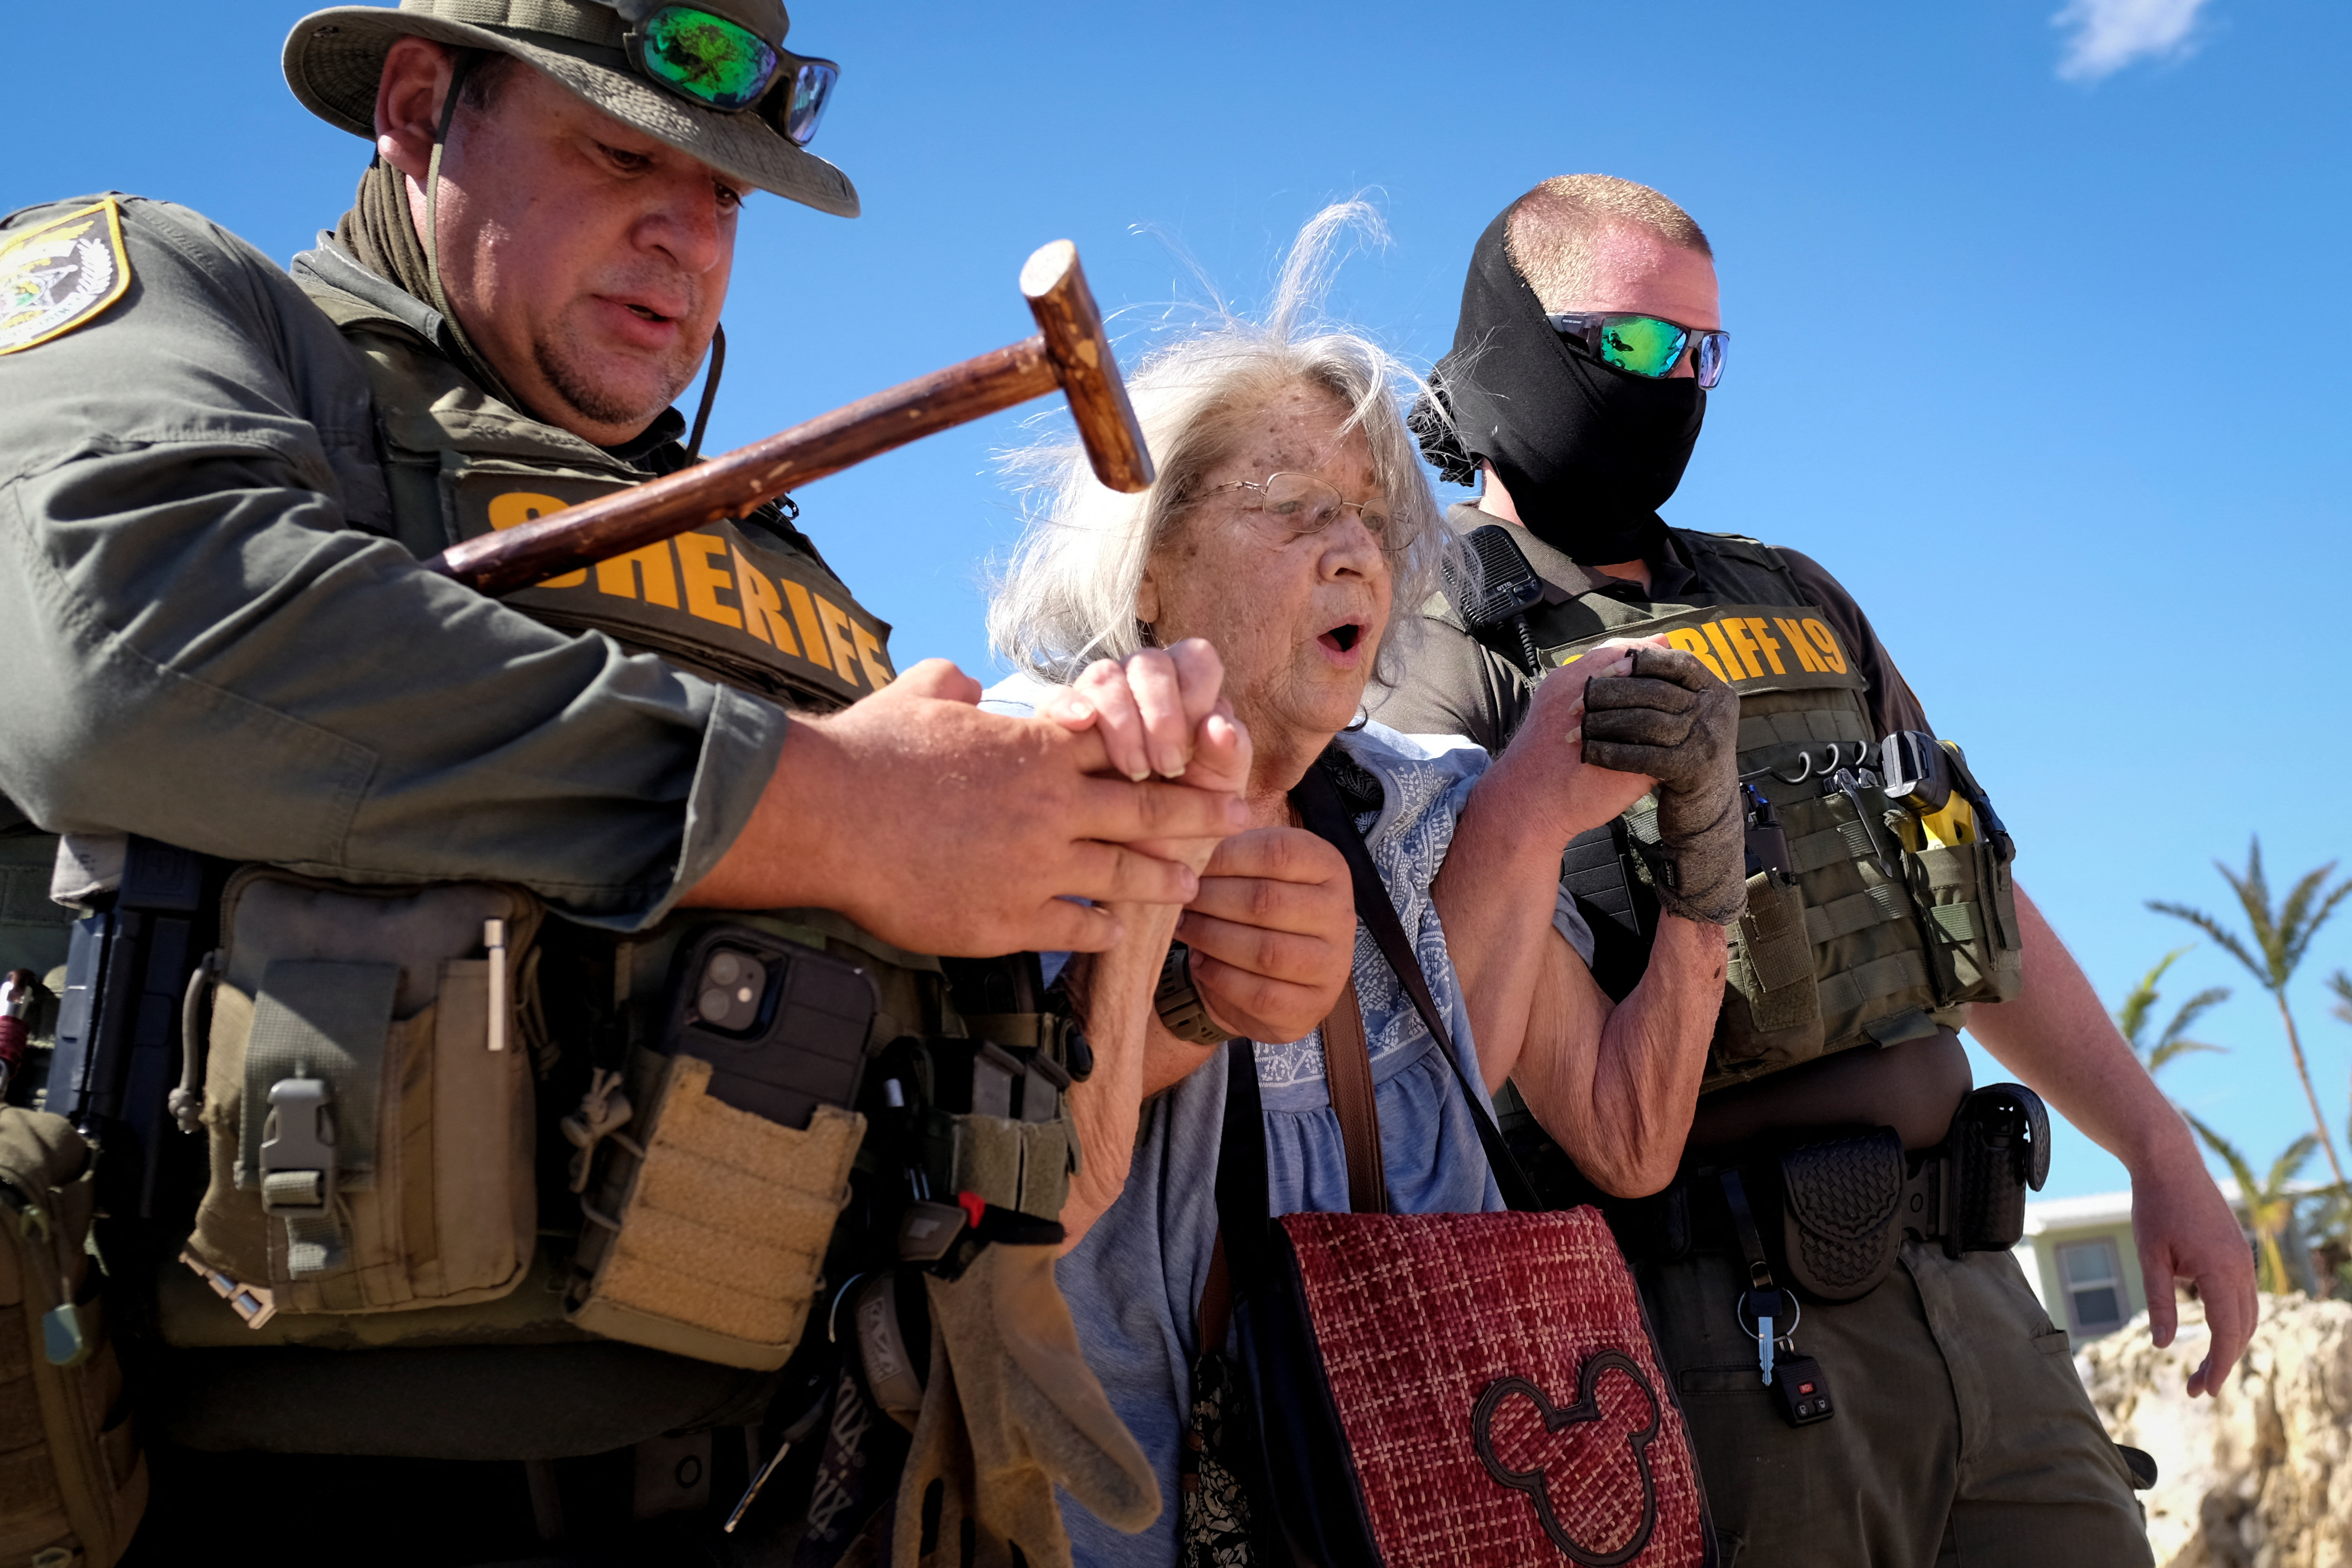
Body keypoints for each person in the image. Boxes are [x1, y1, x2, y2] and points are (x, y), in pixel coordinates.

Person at [0, 3, 1263, 1562]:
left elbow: (989, 1128)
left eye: (725, 187)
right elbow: (130, 644)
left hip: (805, 1476)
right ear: (415, 108)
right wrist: (845, 805)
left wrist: (1154, 931)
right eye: (619, 154)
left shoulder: (776, 560)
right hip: (283, 1492)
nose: (684, 234)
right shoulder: (198, 316)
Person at [1371, 174, 2259, 1566]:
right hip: (1708, 1334)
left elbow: (1965, 900)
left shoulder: (1789, 591)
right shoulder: (1434, 632)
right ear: (1513, 338)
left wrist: (2154, 1142)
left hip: (1975, 1296)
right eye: (1642, 346)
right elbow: (1472, 1017)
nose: (1679, 385)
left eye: (1706, 354)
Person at [978, 206, 1742, 1566]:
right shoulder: (1023, 771)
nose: (1353, 553)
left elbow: (1628, 1136)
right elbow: (1036, 1209)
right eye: (1287, 507)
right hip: (1113, 1521)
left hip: (1424, 1511)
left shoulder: (1423, 801)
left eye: (1373, 522)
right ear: (1150, 565)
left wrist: (1698, 861)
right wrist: (1171, 919)